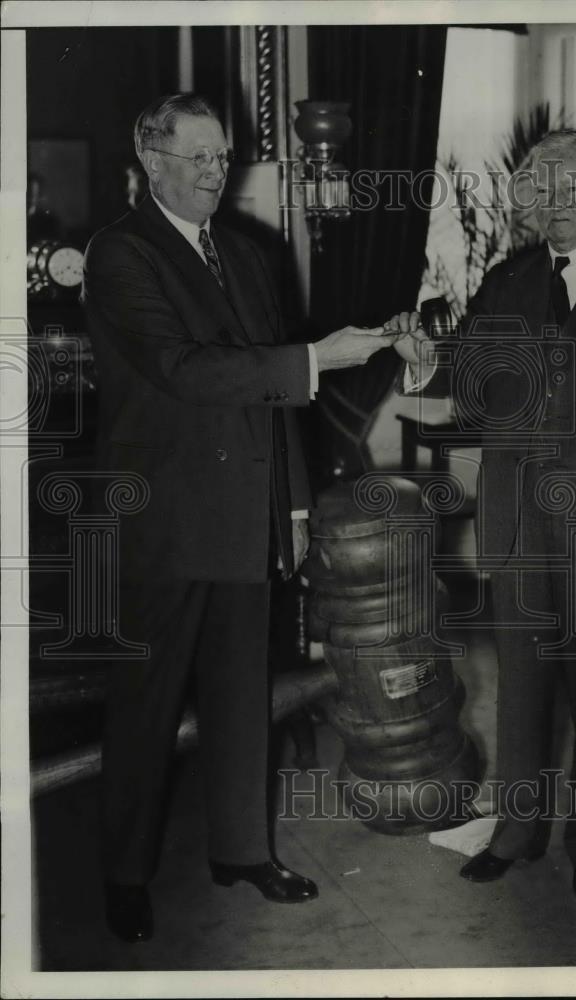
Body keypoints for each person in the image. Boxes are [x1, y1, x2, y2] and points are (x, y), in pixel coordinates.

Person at [82, 93, 399, 942]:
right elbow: (186, 370)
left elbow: (275, 403)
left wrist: (292, 501)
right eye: (197, 159)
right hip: (163, 521)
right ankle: (125, 875)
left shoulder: (250, 255)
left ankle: (242, 850)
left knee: (239, 697)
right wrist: (313, 357)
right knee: (145, 708)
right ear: (151, 162)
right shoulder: (119, 254)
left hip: (245, 516)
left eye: (222, 158)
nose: (215, 174)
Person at [390, 129, 576, 901]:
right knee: (521, 696)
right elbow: (467, 380)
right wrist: (424, 357)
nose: (554, 207)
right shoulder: (508, 281)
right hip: (518, 525)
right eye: (541, 192)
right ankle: (517, 831)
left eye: (571, 191)